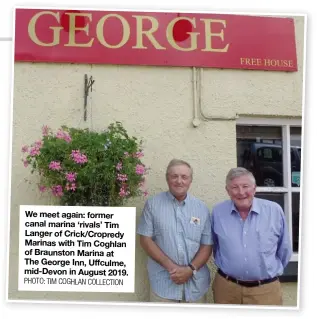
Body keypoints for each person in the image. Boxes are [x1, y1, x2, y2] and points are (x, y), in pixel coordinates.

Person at [211, 167, 292, 305]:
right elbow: (215, 246)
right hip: (226, 289)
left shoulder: (274, 211)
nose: (241, 192)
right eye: (235, 187)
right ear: (227, 191)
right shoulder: (218, 212)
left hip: (265, 290)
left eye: (245, 186)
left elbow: (284, 249)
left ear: (254, 188)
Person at [137, 159, 213, 303]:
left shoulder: (201, 208)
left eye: (184, 177)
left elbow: (207, 245)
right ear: (167, 179)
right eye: (174, 176)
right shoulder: (153, 205)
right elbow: (145, 240)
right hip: (163, 285)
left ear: (190, 180)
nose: (179, 181)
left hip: (195, 287)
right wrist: (173, 269)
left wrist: (190, 270)